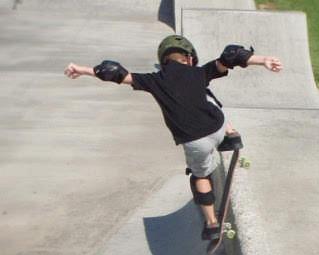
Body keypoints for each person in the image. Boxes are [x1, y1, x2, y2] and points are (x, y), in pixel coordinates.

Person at [64, 35, 283, 241]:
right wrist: (263, 60)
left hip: (194, 141)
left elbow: (113, 72)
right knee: (207, 95)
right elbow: (231, 55)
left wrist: (81, 70)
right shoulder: (199, 73)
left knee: (200, 177)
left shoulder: (153, 80)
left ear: (164, 61)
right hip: (217, 126)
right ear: (188, 59)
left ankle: (212, 223)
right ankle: (232, 135)